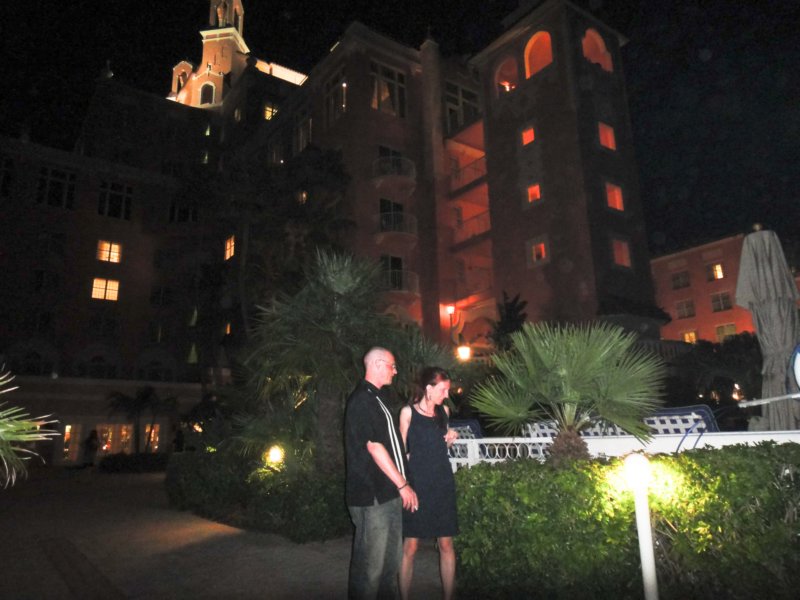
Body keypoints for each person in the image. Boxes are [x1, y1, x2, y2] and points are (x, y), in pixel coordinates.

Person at [345, 347, 419, 599]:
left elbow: (389, 445)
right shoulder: (362, 400)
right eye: (392, 365)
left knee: (389, 566)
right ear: (377, 364)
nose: (395, 371)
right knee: (370, 569)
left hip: (388, 493)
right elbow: (374, 447)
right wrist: (402, 484)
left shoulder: (378, 398)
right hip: (373, 496)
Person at [399, 367, 459, 600]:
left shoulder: (444, 412)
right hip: (417, 485)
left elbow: (442, 446)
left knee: (446, 544)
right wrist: (404, 482)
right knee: (411, 547)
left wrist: (451, 437)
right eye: (443, 390)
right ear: (429, 388)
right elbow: (400, 452)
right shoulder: (408, 413)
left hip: (442, 483)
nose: (447, 395)